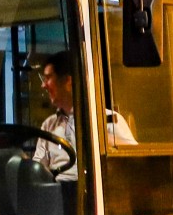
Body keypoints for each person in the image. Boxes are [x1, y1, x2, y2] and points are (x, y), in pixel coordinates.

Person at [33, 50, 134, 183]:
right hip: (56, 190)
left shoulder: (108, 118)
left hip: (93, 189)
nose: (43, 85)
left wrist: (102, 139)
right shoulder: (49, 124)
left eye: (48, 78)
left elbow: (134, 160)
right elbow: (38, 167)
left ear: (68, 81)